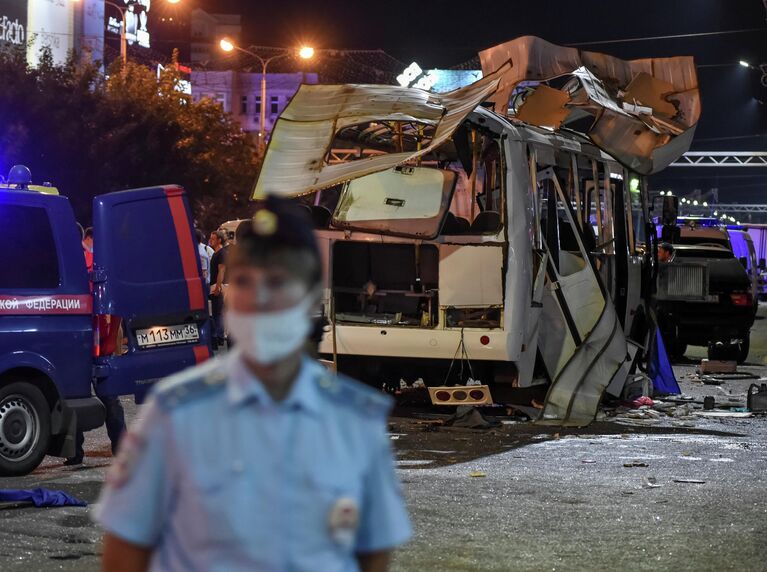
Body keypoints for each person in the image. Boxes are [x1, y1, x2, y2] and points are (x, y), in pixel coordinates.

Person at [96, 196, 411, 571]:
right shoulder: (174, 413)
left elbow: (371, 558)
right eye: (244, 281)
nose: (258, 297)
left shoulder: (356, 423)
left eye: (277, 281)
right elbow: (125, 554)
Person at [66, 228, 126, 466]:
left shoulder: (77, 259)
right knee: (108, 394)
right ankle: (121, 448)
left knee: (75, 394)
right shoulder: (97, 259)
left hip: (79, 334)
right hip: (98, 332)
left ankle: (75, 452)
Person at [208, 229, 229, 349]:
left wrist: (218, 286)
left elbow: (222, 270)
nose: (210, 240)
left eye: (213, 238)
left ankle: (219, 336)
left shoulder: (221, 253)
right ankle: (219, 335)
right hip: (215, 285)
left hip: (218, 286)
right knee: (216, 312)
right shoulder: (217, 253)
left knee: (218, 312)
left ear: (219, 240)